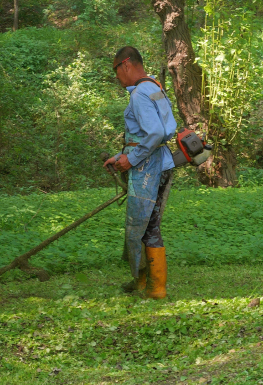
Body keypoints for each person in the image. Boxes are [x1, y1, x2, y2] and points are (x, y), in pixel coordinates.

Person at [103, 46, 177, 299]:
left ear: (125, 64)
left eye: (116, 71)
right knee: (143, 224)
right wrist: (120, 156)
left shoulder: (139, 95)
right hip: (160, 162)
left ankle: (156, 288)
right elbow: (165, 128)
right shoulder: (154, 88)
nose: (116, 77)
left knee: (146, 225)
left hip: (147, 167)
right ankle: (142, 280)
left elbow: (154, 132)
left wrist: (131, 159)